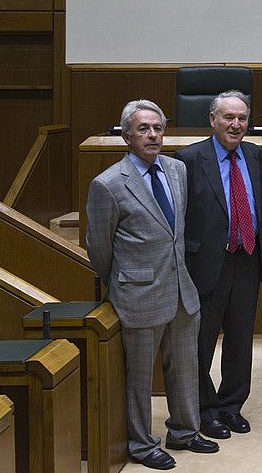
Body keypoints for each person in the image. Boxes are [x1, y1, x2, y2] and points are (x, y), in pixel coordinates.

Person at [85, 100, 219, 470]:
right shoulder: (108, 184)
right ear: (127, 135)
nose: (152, 135)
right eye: (143, 129)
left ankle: (185, 431)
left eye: (158, 128)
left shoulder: (177, 170)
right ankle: (142, 444)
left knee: (185, 366)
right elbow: (98, 248)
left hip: (181, 288)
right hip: (138, 294)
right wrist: (124, 279)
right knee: (140, 378)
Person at [176, 90, 262, 438]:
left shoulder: (256, 156)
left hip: (246, 258)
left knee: (241, 343)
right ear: (212, 120)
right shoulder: (187, 159)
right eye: (228, 117)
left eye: (242, 118)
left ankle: (231, 406)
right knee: (201, 343)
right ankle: (205, 409)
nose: (236, 124)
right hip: (206, 264)